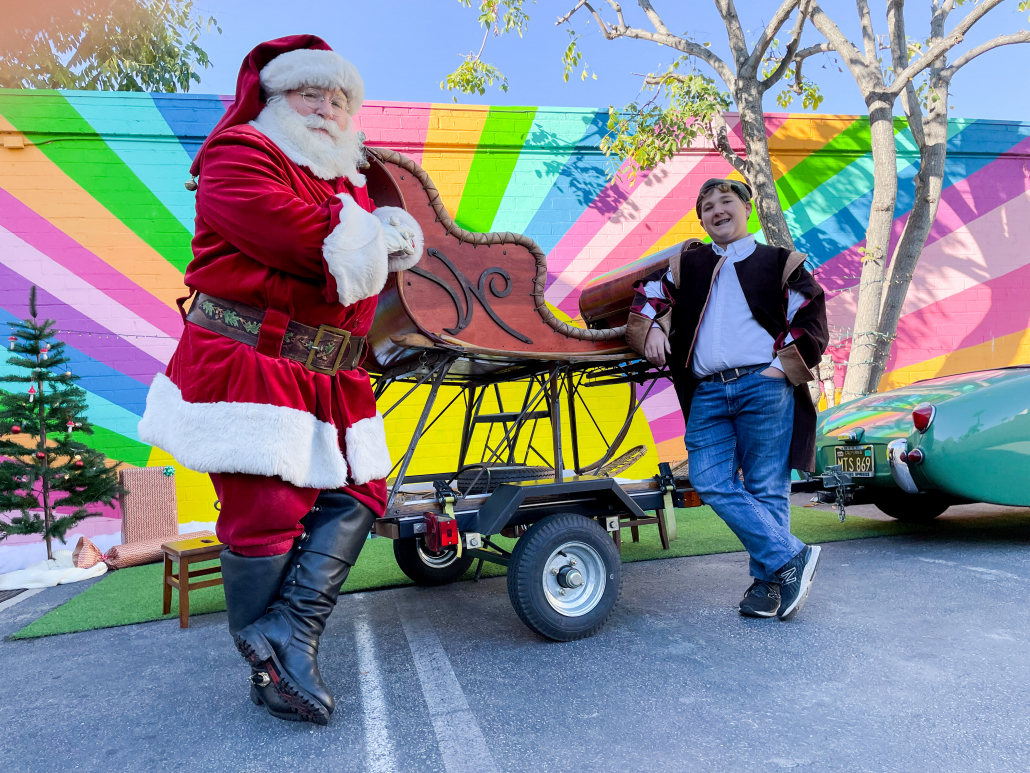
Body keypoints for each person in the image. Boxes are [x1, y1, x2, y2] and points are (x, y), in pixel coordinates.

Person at [138, 36, 423, 725]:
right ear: (274, 98)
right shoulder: (239, 154)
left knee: (364, 487)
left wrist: (371, 228)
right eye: (310, 94)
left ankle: (285, 633)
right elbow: (310, 242)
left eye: (337, 99)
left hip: (325, 368)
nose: (326, 108)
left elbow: (349, 259)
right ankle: (277, 667)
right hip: (249, 358)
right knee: (266, 512)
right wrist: (381, 232)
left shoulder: (338, 180)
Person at [625, 178, 829, 621]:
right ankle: (791, 557)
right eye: (707, 206)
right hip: (708, 391)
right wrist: (653, 328)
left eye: (726, 201)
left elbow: (810, 317)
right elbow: (647, 297)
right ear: (700, 219)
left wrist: (780, 370)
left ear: (747, 207)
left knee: (766, 487)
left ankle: (768, 588)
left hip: (764, 383)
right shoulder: (687, 265)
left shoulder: (779, 262)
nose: (717, 210)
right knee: (710, 479)